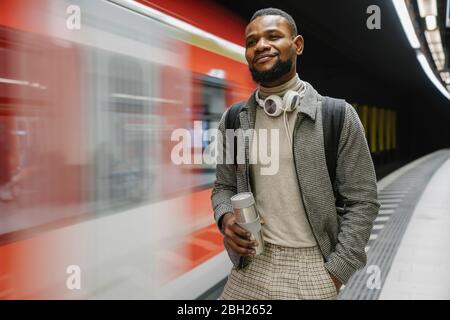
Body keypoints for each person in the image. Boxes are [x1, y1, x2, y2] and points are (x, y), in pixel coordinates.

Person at [211, 8, 380, 300]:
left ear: (297, 45)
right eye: (251, 42)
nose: (261, 45)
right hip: (249, 266)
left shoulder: (337, 116)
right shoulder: (235, 118)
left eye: (273, 36)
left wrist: (335, 274)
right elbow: (223, 187)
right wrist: (226, 218)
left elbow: (363, 201)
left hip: (312, 269)